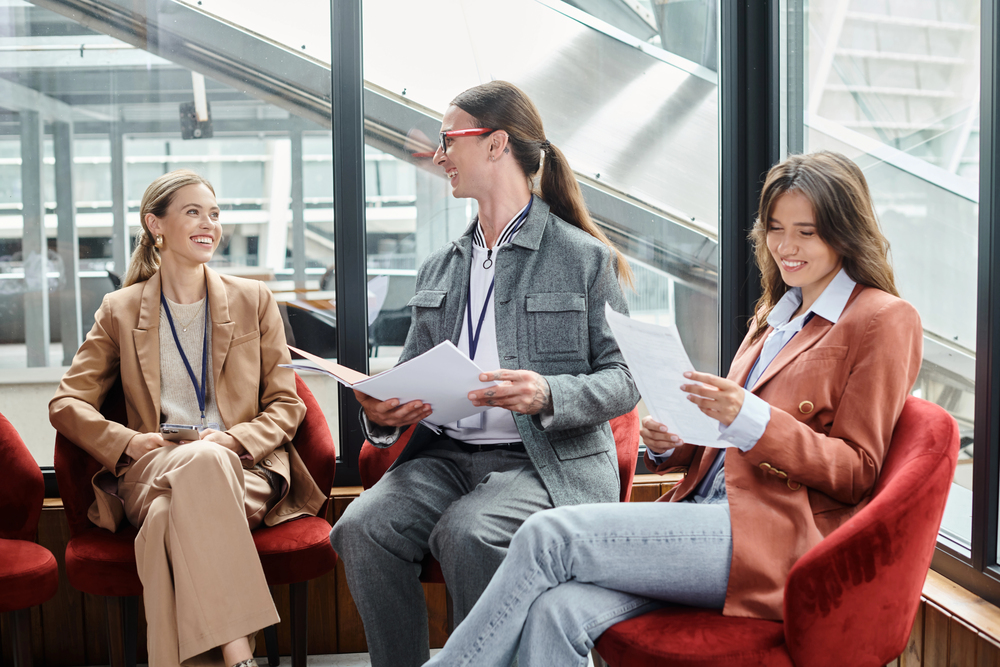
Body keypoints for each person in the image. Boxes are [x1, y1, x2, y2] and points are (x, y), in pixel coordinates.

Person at [422, 150, 924, 667]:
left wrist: (748, 416)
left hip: (769, 537)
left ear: (844, 232)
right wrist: (679, 442)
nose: (786, 247)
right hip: (703, 514)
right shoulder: (777, 313)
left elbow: (857, 471)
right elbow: (732, 440)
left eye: (807, 232)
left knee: (550, 533)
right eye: (775, 228)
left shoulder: (882, 318)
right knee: (557, 609)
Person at [329, 80, 640, 667]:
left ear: (497, 144)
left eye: (451, 139)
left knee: (470, 532)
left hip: (545, 463)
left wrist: (548, 391)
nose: (440, 154)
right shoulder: (441, 266)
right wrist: (386, 416)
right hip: (445, 459)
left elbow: (626, 377)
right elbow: (409, 375)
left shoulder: (583, 258)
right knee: (359, 528)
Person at [49, 169, 327, 667]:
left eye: (215, 214)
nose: (210, 224)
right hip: (154, 466)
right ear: (156, 225)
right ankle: (240, 652)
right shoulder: (120, 308)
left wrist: (233, 440)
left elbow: (288, 405)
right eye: (194, 212)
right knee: (187, 473)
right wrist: (128, 443)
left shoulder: (253, 300)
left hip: (243, 469)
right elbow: (66, 404)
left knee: (163, 520)